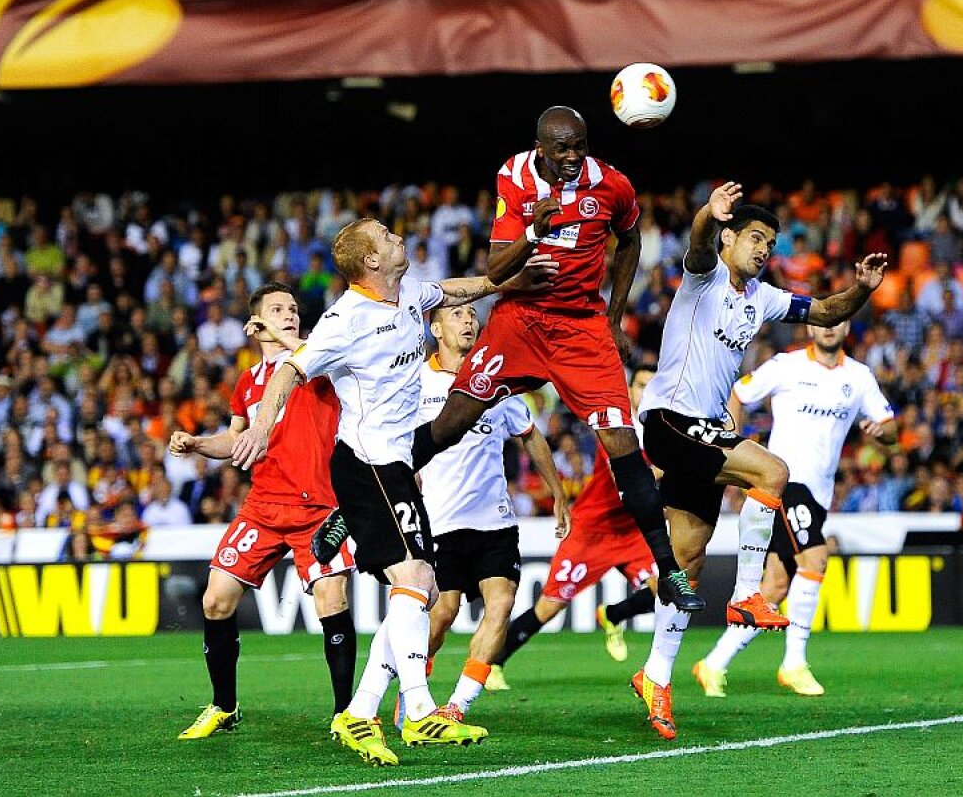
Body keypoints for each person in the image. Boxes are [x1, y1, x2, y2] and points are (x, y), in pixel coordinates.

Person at [230, 219, 555, 766]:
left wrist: (507, 285)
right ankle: (421, 707)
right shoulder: (345, 319)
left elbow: (455, 288)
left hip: (397, 464)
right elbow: (290, 368)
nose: (397, 237)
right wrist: (262, 425)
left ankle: (360, 711)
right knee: (414, 581)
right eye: (386, 236)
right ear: (371, 262)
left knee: (420, 586)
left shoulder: (406, 295)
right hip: (367, 463)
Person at [408, 105, 701, 613]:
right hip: (519, 319)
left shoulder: (611, 185)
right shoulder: (515, 175)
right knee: (450, 423)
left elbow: (629, 239)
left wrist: (614, 316)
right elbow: (496, 266)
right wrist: (532, 232)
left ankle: (668, 570)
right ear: (541, 147)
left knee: (622, 442)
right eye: (562, 149)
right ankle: (365, 493)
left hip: (581, 329)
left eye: (579, 146)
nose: (572, 157)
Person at [632, 182, 888, 740]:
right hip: (671, 419)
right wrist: (705, 213)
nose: (764, 249)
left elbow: (823, 308)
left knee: (687, 561)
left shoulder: (763, 297)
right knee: (773, 471)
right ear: (729, 238)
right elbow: (699, 245)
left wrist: (862, 290)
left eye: (770, 242)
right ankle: (749, 592)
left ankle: (655, 678)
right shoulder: (703, 278)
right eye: (755, 237)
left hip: (704, 433)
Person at [171, 282, 357, 741]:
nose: (290, 314)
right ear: (255, 325)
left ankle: (345, 712)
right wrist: (198, 443)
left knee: (331, 600)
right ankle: (224, 706)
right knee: (215, 598)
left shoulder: (315, 359)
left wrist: (283, 332)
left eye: (292, 309)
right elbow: (237, 442)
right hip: (262, 507)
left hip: (318, 507)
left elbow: (313, 351)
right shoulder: (248, 382)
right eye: (277, 309)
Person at [694, 321, 898, 698]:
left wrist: (880, 431)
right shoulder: (786, 366)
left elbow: (891, 429)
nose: (830, 328)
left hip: (819, 494)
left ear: (849, 326)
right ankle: (794, 663)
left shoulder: (858, 376)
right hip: (785, 482)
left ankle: (712, 663)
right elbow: (739, 392)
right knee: (816, 559)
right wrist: (732, 443)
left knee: (775, 586)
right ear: (809, 327)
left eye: (838, 321)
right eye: (823, 321)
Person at [403, 303, 568, 723]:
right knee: (442, 614)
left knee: (503, 602)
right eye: (457, 314)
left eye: (471, 315)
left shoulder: (496, 383)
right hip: (439, 522)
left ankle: (457, 706)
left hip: (494, 520)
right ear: (435, 327)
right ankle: (414, 683)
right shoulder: (416, 382)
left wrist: (559, 495)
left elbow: (530, 436)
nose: (469, 320)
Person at [488, 366, 663, 690]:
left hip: (631, 532)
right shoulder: (615, 427)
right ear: (629, 390)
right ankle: (493, 664)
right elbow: (623, 479)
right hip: (591, 532)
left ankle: (613, 615)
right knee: (549, 607)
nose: (646, 392)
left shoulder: (663, 430)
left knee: (665, 590)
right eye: (640, 385)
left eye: (653, 386)